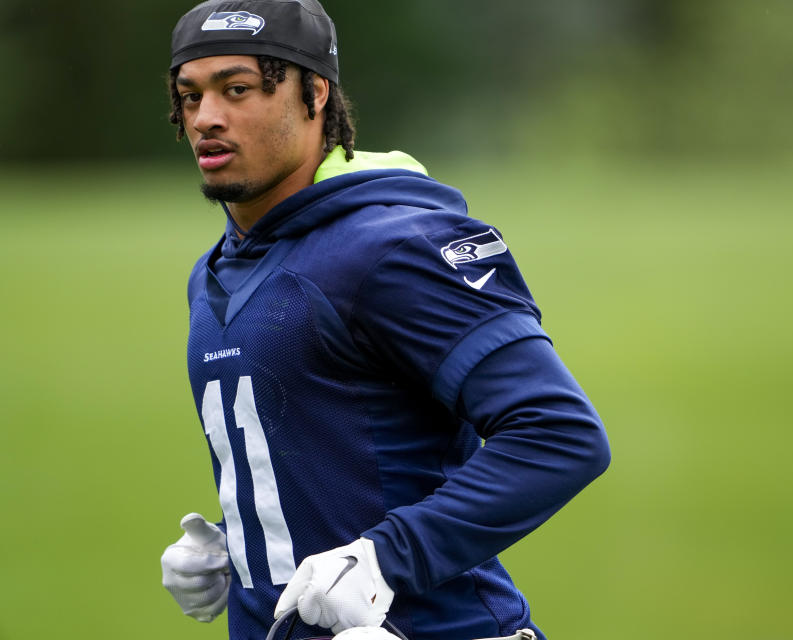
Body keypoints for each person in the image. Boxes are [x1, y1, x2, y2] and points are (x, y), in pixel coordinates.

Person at [159, 1, 610, 639]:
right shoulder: (214, 273)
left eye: (237, 89)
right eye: (190, 96)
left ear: (314, 93)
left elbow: (559, 433)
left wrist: (384, 559)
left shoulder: (394, 245)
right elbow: (341, 457)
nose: (206, 118)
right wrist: (250, 551)